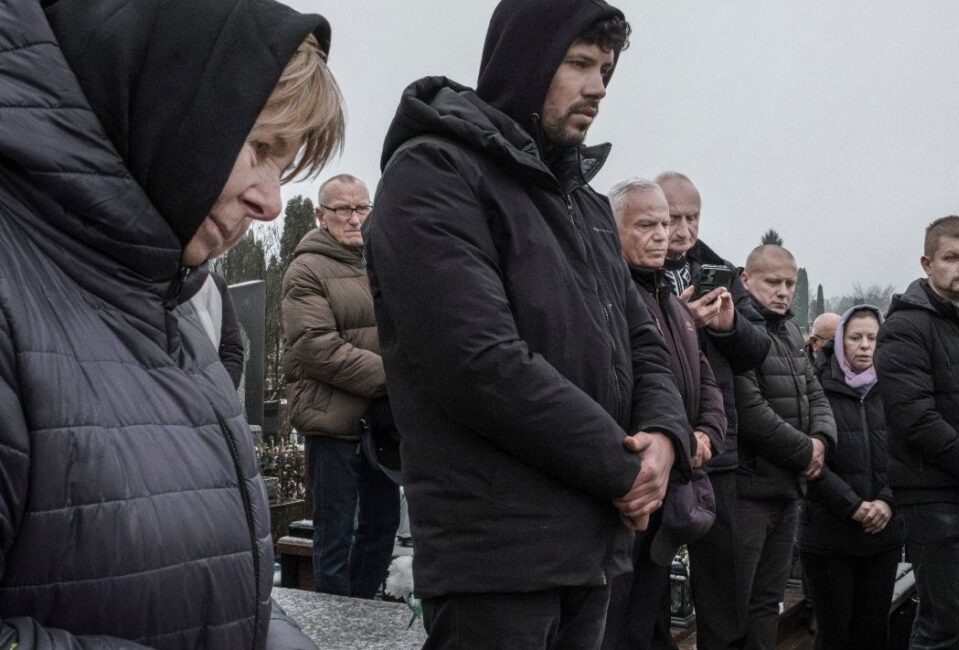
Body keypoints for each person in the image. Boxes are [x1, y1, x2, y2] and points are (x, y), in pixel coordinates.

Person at [0, 0, 344, 646]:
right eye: (259, 147)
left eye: (284, 164)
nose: (272, 202)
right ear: (170, 97)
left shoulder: (172, 300)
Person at [363, 2, 692, 647]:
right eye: (578, 64)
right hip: (497, 555)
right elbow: (479, 363)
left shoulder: (586, 206)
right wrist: (624, 470)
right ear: (526, 64)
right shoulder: (434, 174)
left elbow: (642, 339)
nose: (598, 86)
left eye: (606, 69)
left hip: (590, 547)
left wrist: (662, 436)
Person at [874, 215, 959, 650]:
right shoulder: (905, 327)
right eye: (952, 257)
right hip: (931, 491)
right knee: (943, 620)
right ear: (927, 263)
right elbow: (914, 416)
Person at [603, 179, 727, 650]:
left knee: (643, 621)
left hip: (672, 483)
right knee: (613, 626)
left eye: (667, 222)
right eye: (647, 224)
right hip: (629, 482)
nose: (662, 234)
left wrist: (703, 435)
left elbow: (706, 379)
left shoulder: (674, 306)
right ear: (613, 230)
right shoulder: (608, 300)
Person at [656, 171, 771, 650]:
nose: (683, 230)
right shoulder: (626, 265)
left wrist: (727, 326)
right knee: (648, 585)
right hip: (655, 440)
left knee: (722, 589)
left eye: (692, 217)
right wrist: (682, 322)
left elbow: (757, 348)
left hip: (715, 447)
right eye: (672, 218)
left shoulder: (718, 268)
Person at [282, 174, 400, 599]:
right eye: (343, 209)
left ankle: (362, 616)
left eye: (362, 208)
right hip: (332, 423)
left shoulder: (383, 261)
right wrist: (397, 377)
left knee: (381, 528)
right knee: (334, 539)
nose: (354, 218)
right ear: (321, 215)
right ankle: (333, 628)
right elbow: (317, 347)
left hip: (382, 425)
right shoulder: (306, 269)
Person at [734, 244, 837, 650]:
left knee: (767, 602)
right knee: (735, 605)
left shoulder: (791, 331)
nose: (783, 291)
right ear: (746, 279)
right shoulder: (737, 330)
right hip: (748, 491)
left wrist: (822, 440)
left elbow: (816, 393)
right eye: (772, 282)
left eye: (790, 283)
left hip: (786, 489)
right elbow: (750, 409)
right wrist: (806, 452)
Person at [801, 305, 902, 650]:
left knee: (873, 633)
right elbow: (810, 461)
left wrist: (887, 501)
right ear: (841, 341)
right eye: (856, 337)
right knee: (834, 634)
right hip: (829, 534)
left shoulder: (894, 388)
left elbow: (907, 453)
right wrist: (853, 505)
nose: (865, 345)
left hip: (883, 535)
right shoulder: (816, 387)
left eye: (873, 338)